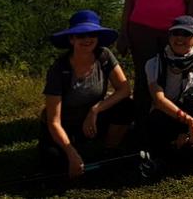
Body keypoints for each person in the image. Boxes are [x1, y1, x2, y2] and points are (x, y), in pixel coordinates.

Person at [39, 10, 134, 179]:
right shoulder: (59, 69)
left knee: (127, 105)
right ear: (71, 39)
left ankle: (108, 149)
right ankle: (74, 149)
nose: (87, 39)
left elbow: (125, 89)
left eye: (92, 34)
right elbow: (53, 121)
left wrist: (95, 110)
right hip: (66, 124)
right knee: (53, 160)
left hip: (94, 118)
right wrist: (71, 153)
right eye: (81, 35)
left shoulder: (103, 55)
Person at [144, 15, 193, 171]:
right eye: (175, 33)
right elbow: (158, 100)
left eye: (186, 34)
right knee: (155, 123)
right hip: (167, 116)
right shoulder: (154, 63)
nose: (179, 38)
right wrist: (188, 121)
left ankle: (167, 155)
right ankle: (170, 152)